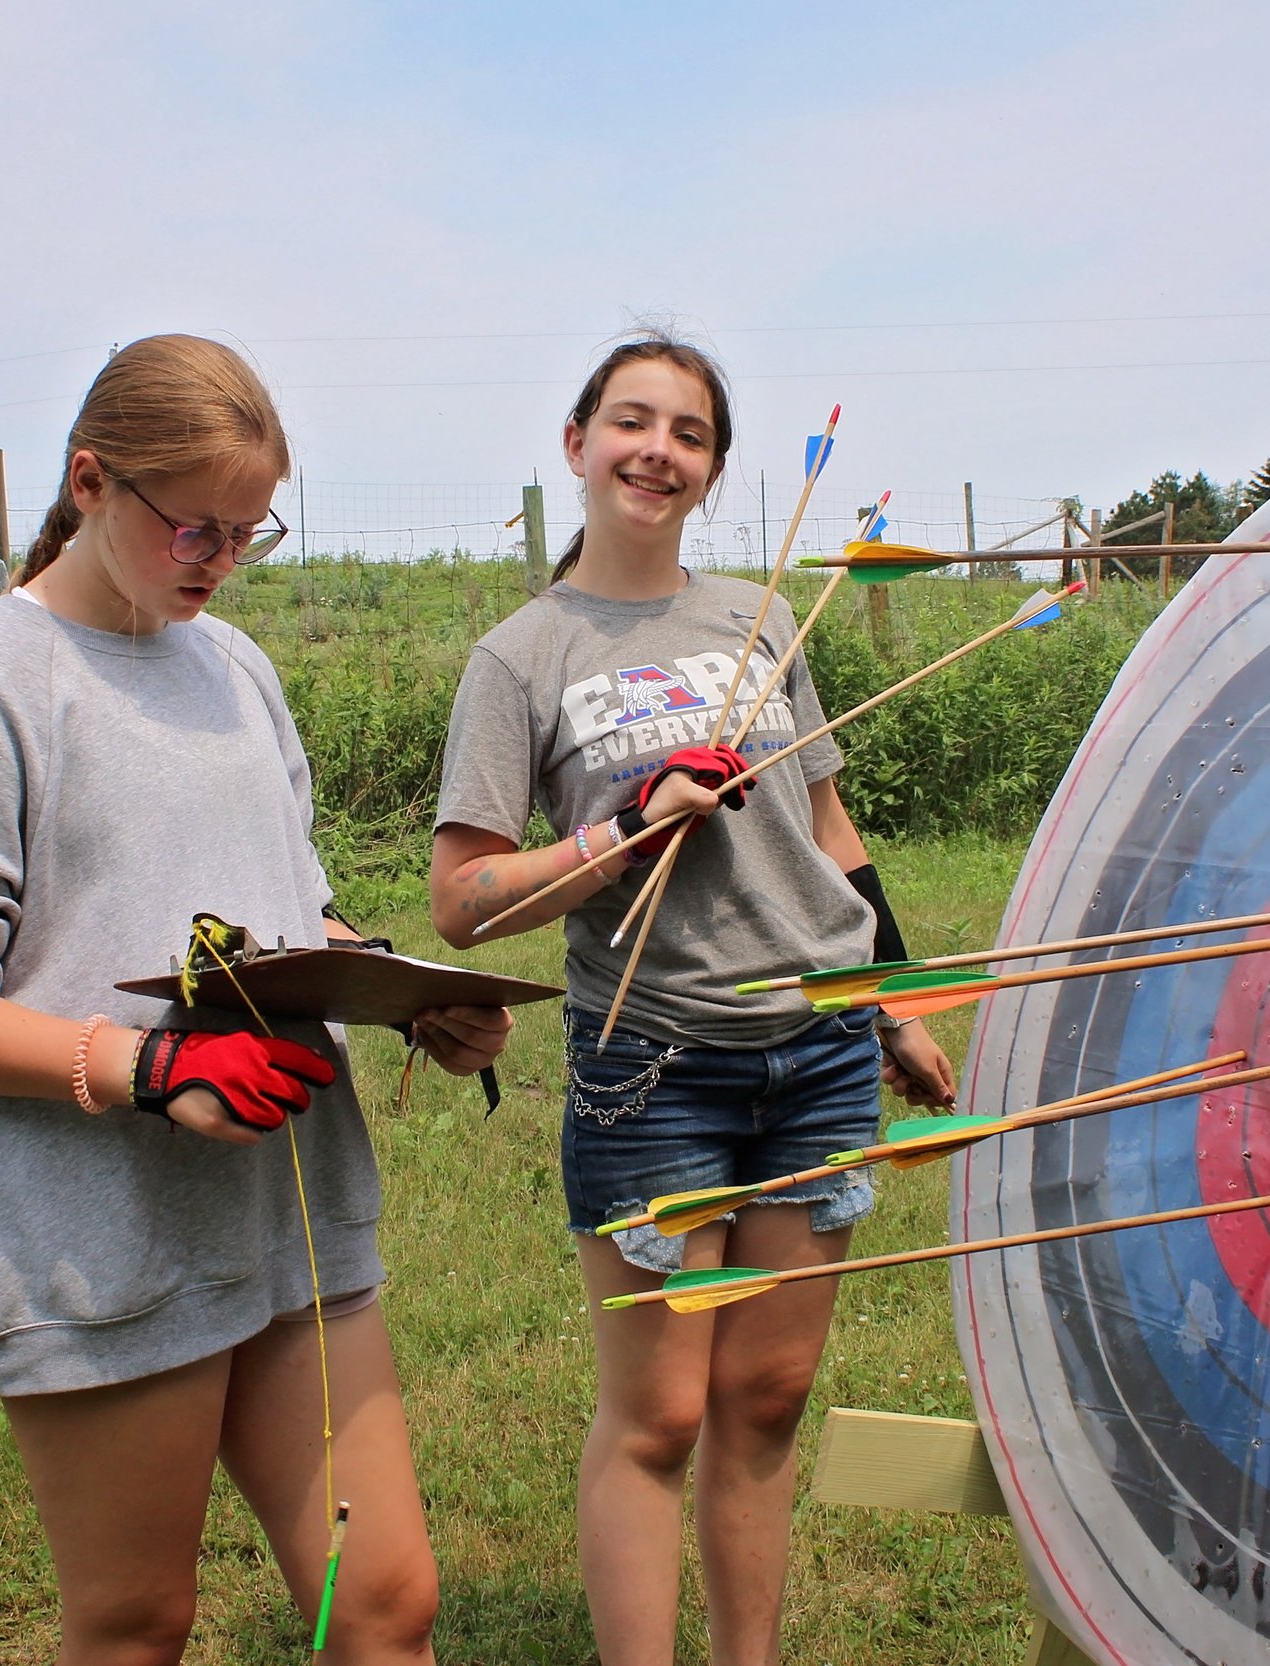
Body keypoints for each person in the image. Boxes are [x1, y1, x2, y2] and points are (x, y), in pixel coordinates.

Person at [0, 335, 512, 1666]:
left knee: (386, 1604)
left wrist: (404, 994)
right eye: (197, 526)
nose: (220, 560)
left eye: (251, 533)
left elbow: (287, 908)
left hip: (285, 1214)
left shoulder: (235, 669)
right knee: (140, 1621)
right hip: (101, 1239)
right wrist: (152, 1072)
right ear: (91, 482)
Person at [429, 335, 958, 1666]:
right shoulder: (522, 657)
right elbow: (464, 897)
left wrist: (890, 1002)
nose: (657, 448)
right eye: (631, 420)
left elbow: (831, 828)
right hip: (654, 1067)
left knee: (769, 1394)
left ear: (716, 467)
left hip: (823, 1053)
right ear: (577, 443)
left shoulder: (769, 615)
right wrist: (625, 825)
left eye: (688, 431)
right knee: (660, 1411)